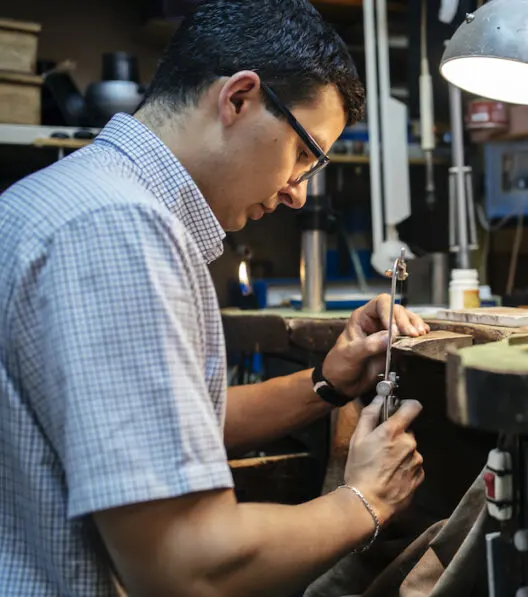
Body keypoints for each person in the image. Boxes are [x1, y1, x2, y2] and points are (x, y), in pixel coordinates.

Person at [0, 1, 430, 595]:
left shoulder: (74, 198)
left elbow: (162, 428)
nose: (297, 193)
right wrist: (365, 502)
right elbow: (186, 565)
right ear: (238, 99)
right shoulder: (119, 229)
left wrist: (328, 382)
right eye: (304, 155)